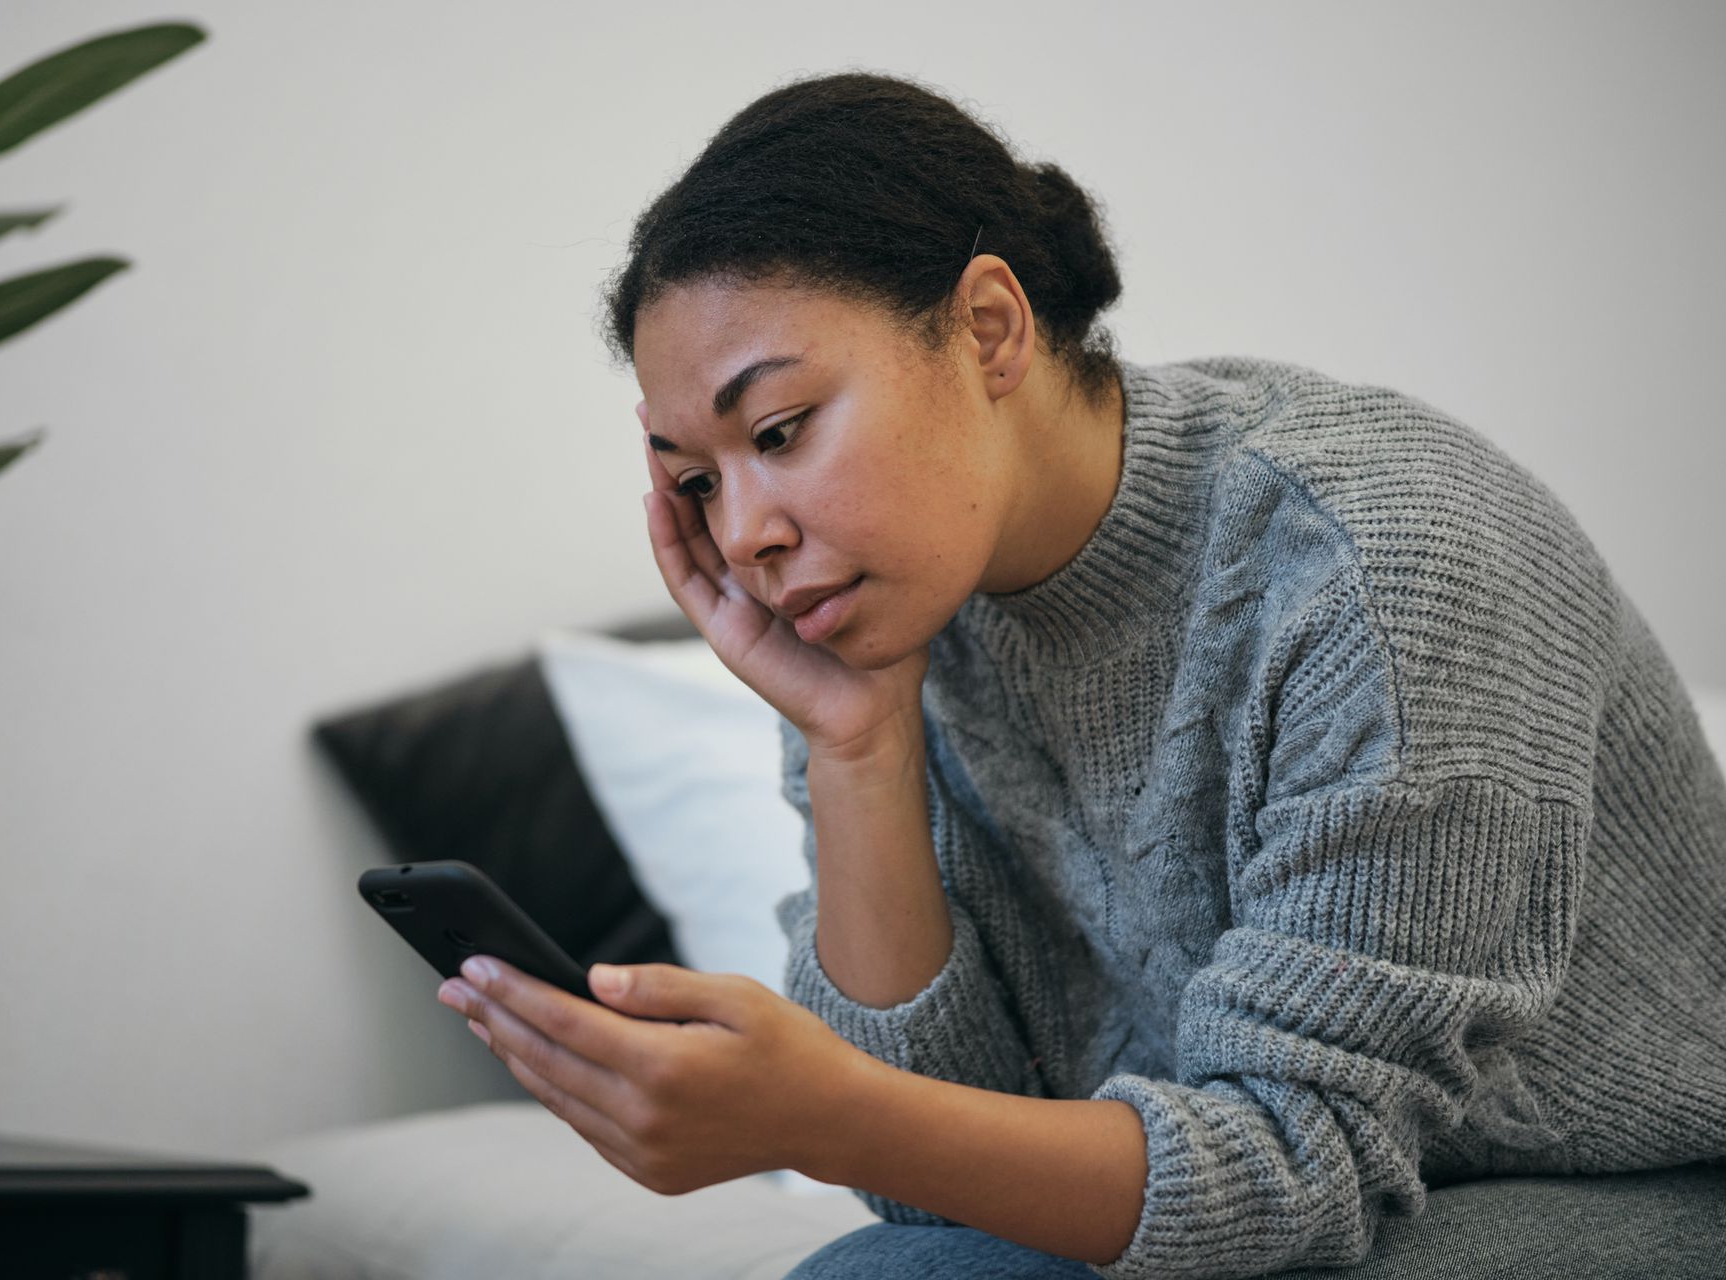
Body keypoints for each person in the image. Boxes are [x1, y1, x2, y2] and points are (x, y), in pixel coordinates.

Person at [439, 69, 1726, 1280]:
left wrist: (831, 1111)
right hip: (1290, 1203)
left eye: (780, 431)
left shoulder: (1386, 559)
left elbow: (1300, 1160)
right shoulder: (881, 616)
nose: (747, 533)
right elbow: (939, 1182)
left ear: (990, 329)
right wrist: (856, 750)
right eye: (698, 481)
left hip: (1633, 1184)